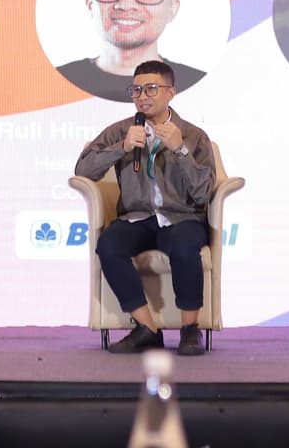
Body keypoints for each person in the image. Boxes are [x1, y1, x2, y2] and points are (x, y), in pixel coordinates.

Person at [73, 59, 218, 355]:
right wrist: (121, 148)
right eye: (136, 90)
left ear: (171, 93)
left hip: (181, 218)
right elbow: (83, 169)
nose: (142, 96)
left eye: (151, 88)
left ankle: (190, 330)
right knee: (109, 245)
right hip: (136, 218)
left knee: (183, 247)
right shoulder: (120, 131)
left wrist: (180, 150)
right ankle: (146, 329)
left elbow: (203, 192)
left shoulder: (193, 136)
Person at [56, 0, 206, 101]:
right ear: (90, 4)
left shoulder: (200, 86)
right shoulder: (57, 80)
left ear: (172, 8)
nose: (126, 4)